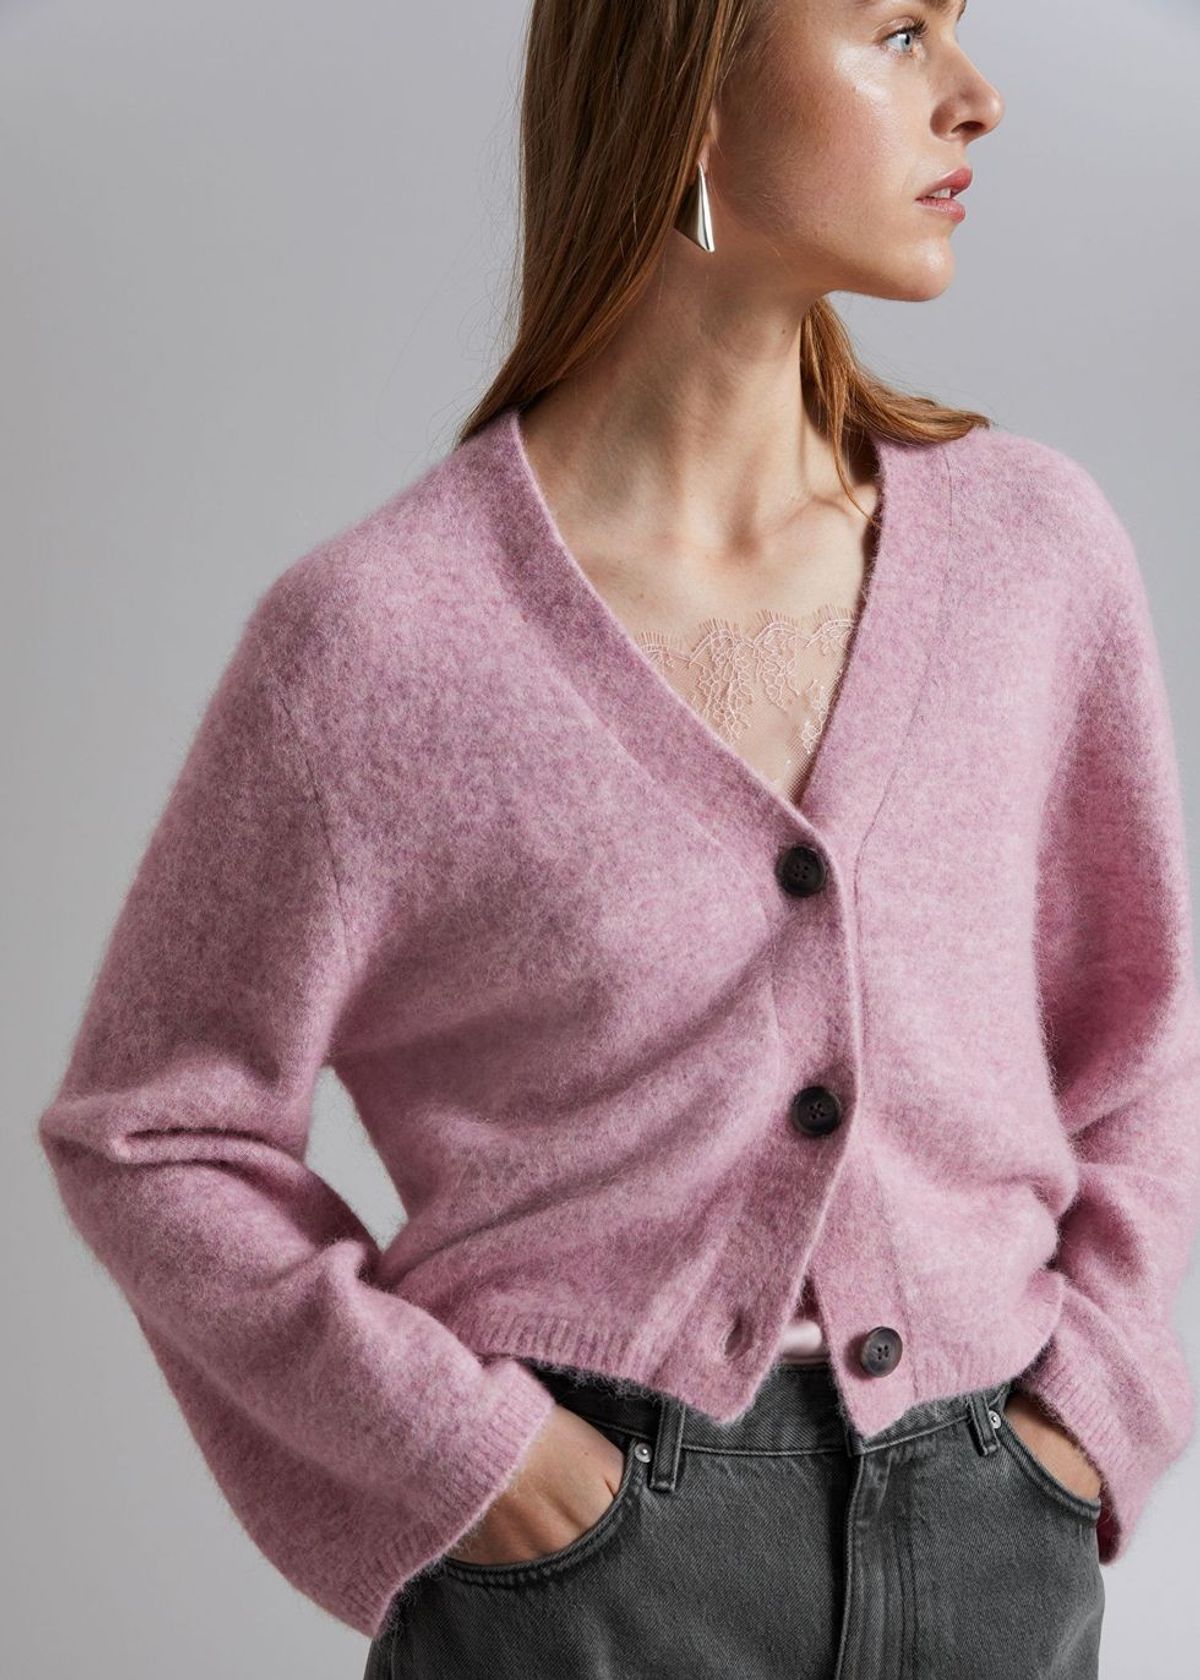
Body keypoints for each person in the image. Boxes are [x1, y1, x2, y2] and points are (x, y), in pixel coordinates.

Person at [37, 5, 1200, 1678]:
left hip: (991, 1524)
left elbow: (1140, 1034)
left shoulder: (1036, 555)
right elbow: (154, 1132)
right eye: (894, 30)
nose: (977, 96)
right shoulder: (380, 641)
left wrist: (1094, 1405)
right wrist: (478, 1457)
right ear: (692, 83)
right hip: (591, 1569)